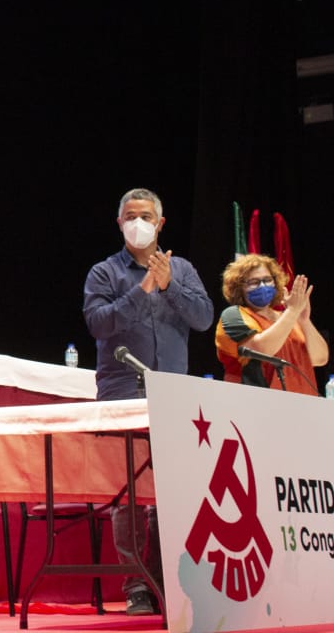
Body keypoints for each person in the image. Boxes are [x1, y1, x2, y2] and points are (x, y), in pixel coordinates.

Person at [82, 187, 213, 615]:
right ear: (120, 223)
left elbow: (203, 317)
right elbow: (100, 325)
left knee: (173, 493)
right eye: (130, 215)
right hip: (125, 394)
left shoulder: (184, 270)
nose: (138, 222)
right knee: (132, 495)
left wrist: (170, 284)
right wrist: (143, 290)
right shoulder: (104, 273)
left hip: (174, 395)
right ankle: (138, 586)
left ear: (161, 223)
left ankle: (174, 583)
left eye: (146, 215)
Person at [215, 253, 328, 395]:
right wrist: (292, 312)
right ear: (239, 287)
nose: (263, 286)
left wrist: (304, 321)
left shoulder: (288, 318)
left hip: (304, 404)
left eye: (267, 280)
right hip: (257, 404)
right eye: (254, 282)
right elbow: (262, 350)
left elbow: (320, 358)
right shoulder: (234, 315)